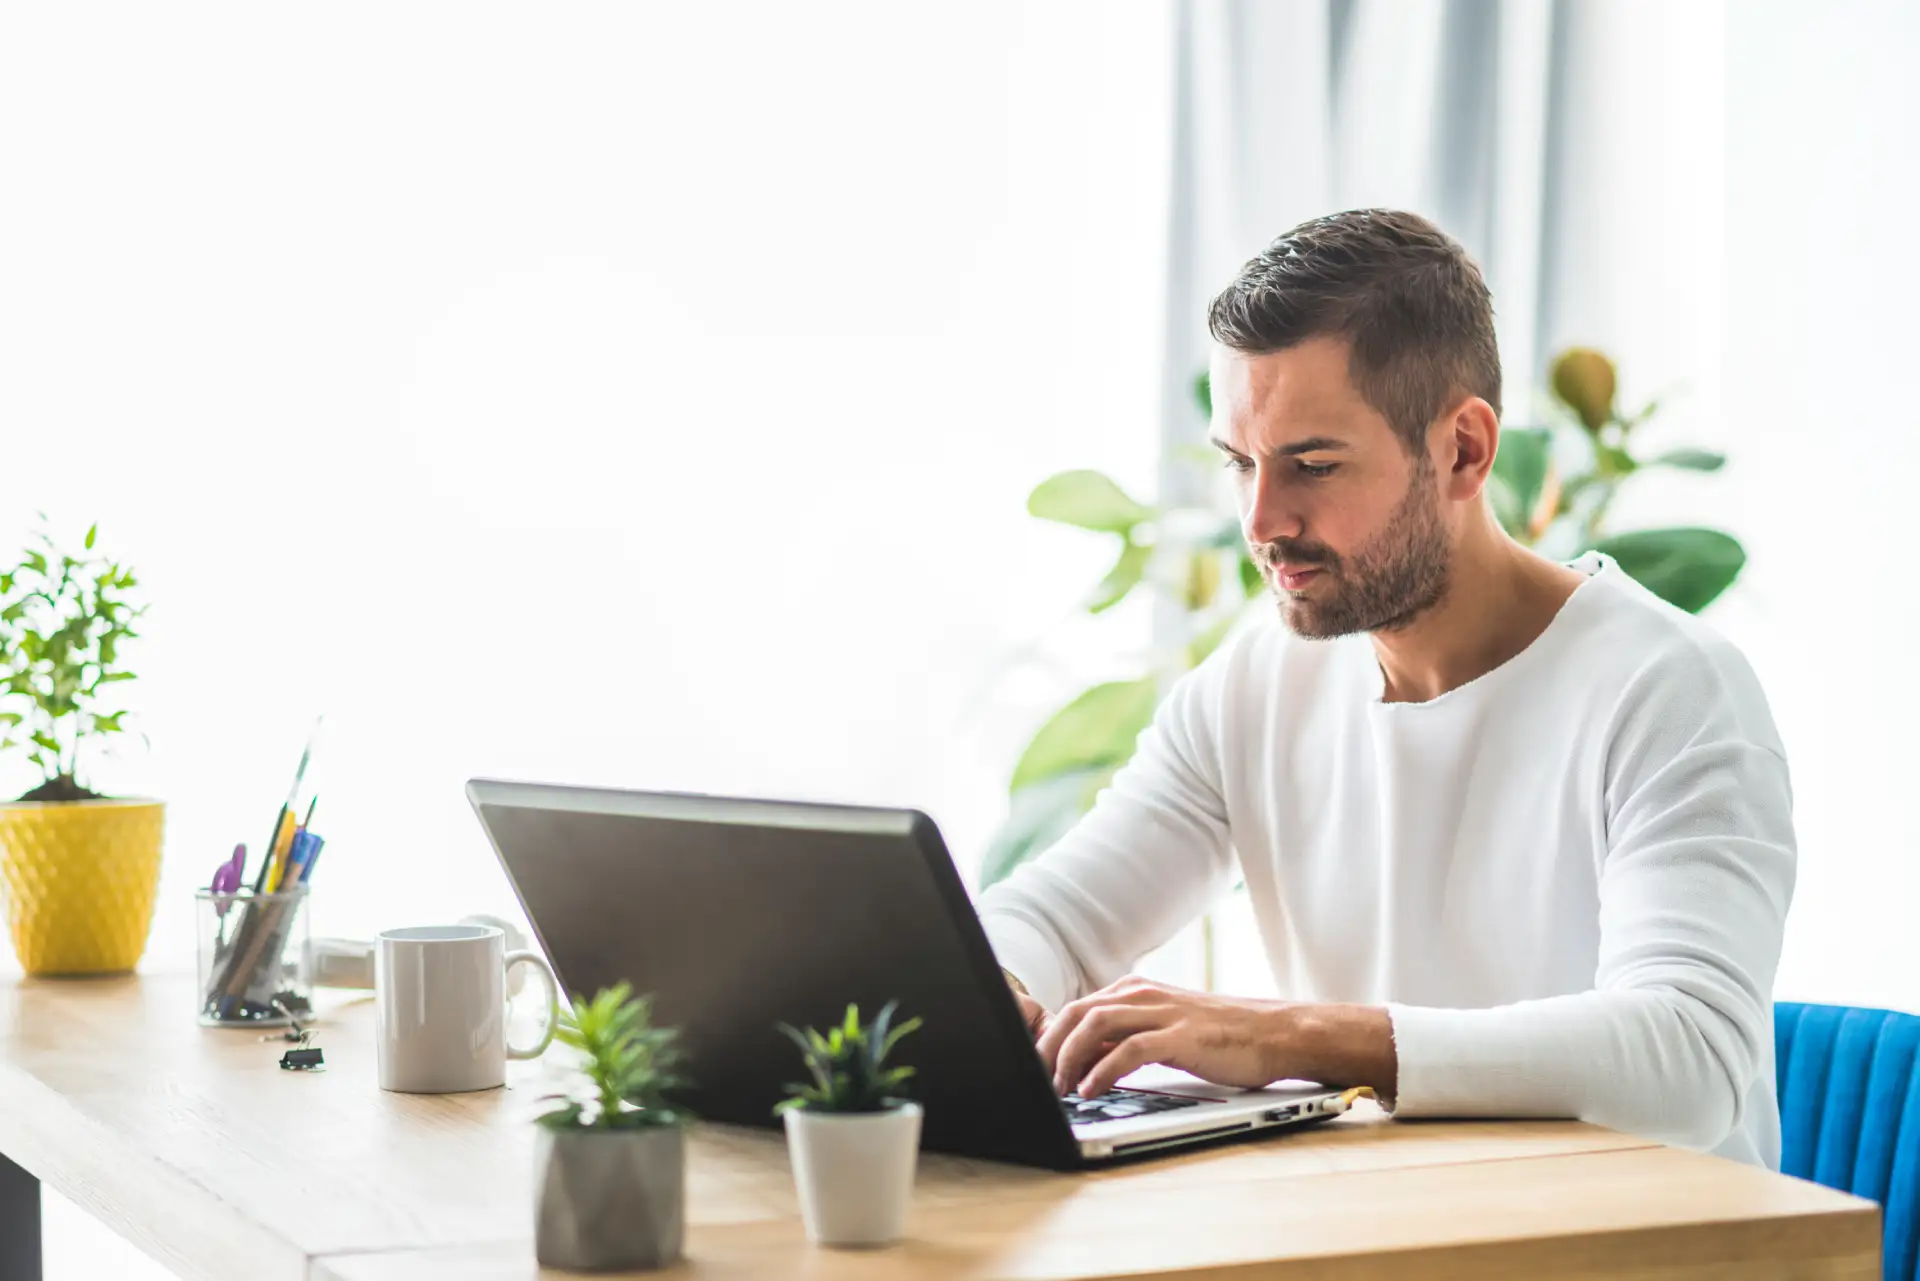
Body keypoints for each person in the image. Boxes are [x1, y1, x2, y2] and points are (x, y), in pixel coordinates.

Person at [978, 208, 1794, 1167]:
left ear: (1464, 450)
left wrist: (1290, 1037)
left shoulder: (1670, 691)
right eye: (1240, 463)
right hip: (1390, 1235)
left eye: (1311, 465)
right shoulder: (1253, 687)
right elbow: (1050, 919)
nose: (1261, 519)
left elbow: (1689, 1062)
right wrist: (991, 988)